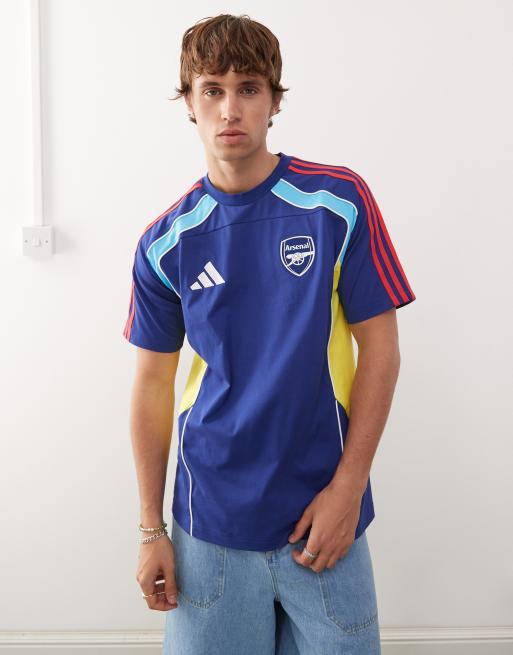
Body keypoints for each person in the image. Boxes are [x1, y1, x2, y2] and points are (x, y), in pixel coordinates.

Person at [123, 13, 416, 655]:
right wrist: (151, 529)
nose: (231, 109)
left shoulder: (338, 203)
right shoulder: (165, 243)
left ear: (274, 101)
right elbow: (151, 385)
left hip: (323, 520)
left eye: (249, 89)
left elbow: (382, 348)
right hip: (208, 527)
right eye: (212, 89)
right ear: (189, 102)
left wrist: (348, 490)